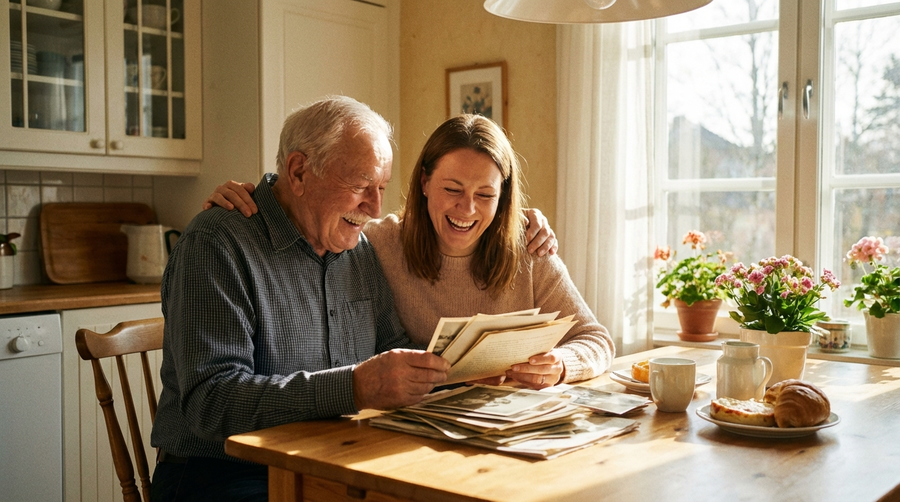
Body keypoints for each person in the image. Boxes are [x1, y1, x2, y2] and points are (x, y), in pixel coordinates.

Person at [150, 96, 451, 502]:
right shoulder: (217, 242)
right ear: (298, 172)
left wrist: (465, 368)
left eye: (381, 188)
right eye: (360, 186)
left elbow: (391, 348)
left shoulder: (357, 250)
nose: (375, 207)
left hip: (329, 459)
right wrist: (353, 388)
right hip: (225, 473)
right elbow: (212, 401)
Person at [207, 114, 615, 389]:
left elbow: (595, 338)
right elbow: (313, 211)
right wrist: (255, 199)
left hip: (508, 424)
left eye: (485, 195)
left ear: (503, 197)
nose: (467, 209)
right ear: (424, 182)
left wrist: (562, 364)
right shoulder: (374, 243)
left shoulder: (529, 247)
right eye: (452, 189)